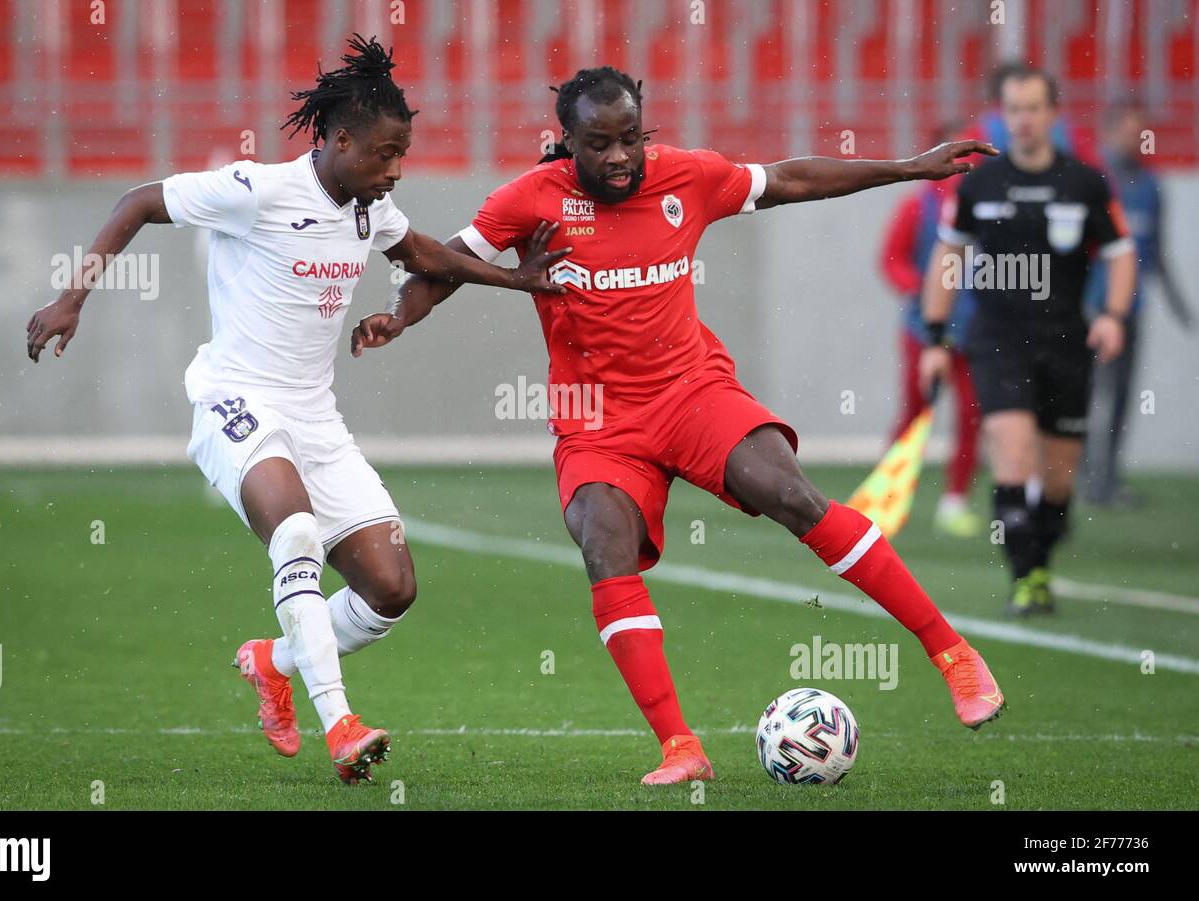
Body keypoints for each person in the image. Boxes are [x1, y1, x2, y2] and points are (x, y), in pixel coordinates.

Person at [351, 66, 1007, 785]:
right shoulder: (531, 199)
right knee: (605, 545)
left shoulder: (687, 177)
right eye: (598, 144)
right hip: (597, 421)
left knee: (793, 497)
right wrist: (400, 316)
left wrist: (908, 169)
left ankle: (952, 654)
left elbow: (788, 179)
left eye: (630, 138)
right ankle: (680, 747)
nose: (619, 157)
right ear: (566, 142)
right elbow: (442, 265)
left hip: (690, 391)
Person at [23, 36, 565, 785]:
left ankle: (272, 662)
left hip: (314, 417)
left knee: (392, 588)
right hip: (234, 401)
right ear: (340, 140)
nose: (396, 168)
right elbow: (140, 202)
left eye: (402, 153)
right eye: (384, 153)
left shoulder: (369, 209)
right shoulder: (258, 189)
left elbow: (427, 258)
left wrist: (515, 279)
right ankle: (339, 721)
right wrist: (72, 294)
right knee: (298, 531)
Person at [920, 66, 1137, 618]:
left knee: (1060, 478)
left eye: (1033, 108)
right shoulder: (978, 183)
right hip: (997, 339)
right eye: (1012, 109)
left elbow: (1120, 254)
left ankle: (1043, 553)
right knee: (1012, 452)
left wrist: (1113, 315)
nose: (1022, 119)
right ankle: (1026, 577)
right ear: (1001, 114)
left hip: (1066, 341)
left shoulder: (1085, 182)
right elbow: (948, 257)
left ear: (1052, 115)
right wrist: (936, 337)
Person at [1081, 99, 1194, 506]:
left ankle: (1107, 481)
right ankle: (1078, 480)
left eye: (1141, 131)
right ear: (1111, 130)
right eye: (1130, 130)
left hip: (1132, 309)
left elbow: (1157, 252)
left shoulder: (1151, 186)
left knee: (1122, 397)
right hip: (1090, 307)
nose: (1137, 139)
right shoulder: (1094, 179)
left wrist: (1181, 306)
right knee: (1080, 395)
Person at [879, 136, 983, 538]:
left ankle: (955, 499)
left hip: (975, 330)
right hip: (924, 329)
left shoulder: (989, 202)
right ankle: (889, 496)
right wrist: (923, 290)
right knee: (915, 413)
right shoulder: (918, 205)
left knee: (973, 415)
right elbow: (891, 259)